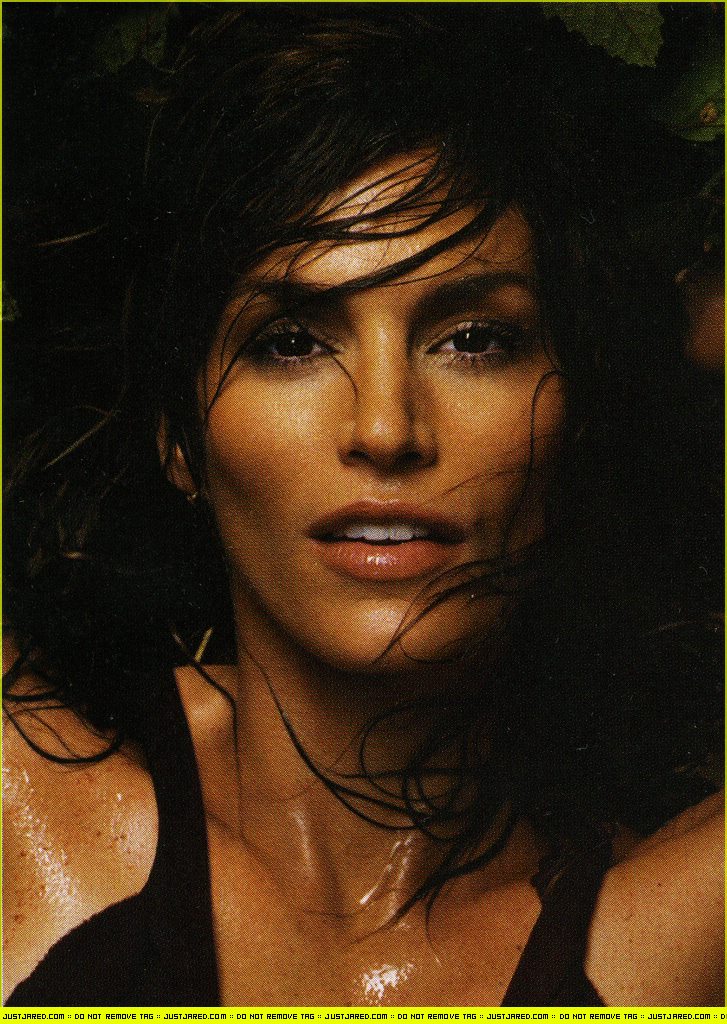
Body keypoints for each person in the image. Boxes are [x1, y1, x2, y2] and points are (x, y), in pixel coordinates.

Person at [3, 6, 723, 1008]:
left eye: (473, 339)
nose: (384, 428)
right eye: (291, 342)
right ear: (179, 435)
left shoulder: (682, 929)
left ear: (577, 414)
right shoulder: (26, 812)